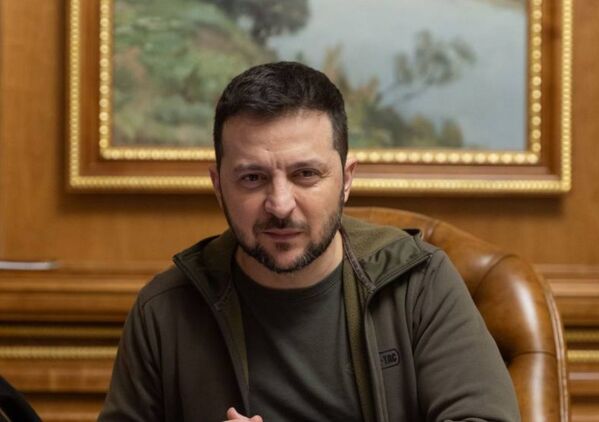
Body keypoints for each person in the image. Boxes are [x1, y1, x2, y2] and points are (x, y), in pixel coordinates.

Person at [99, 61, 520, 422]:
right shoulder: (165, 309)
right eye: (252, 178)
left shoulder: (419, 284)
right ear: (218, 186)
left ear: (346, 180)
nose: (280, 204)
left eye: (305, 175)